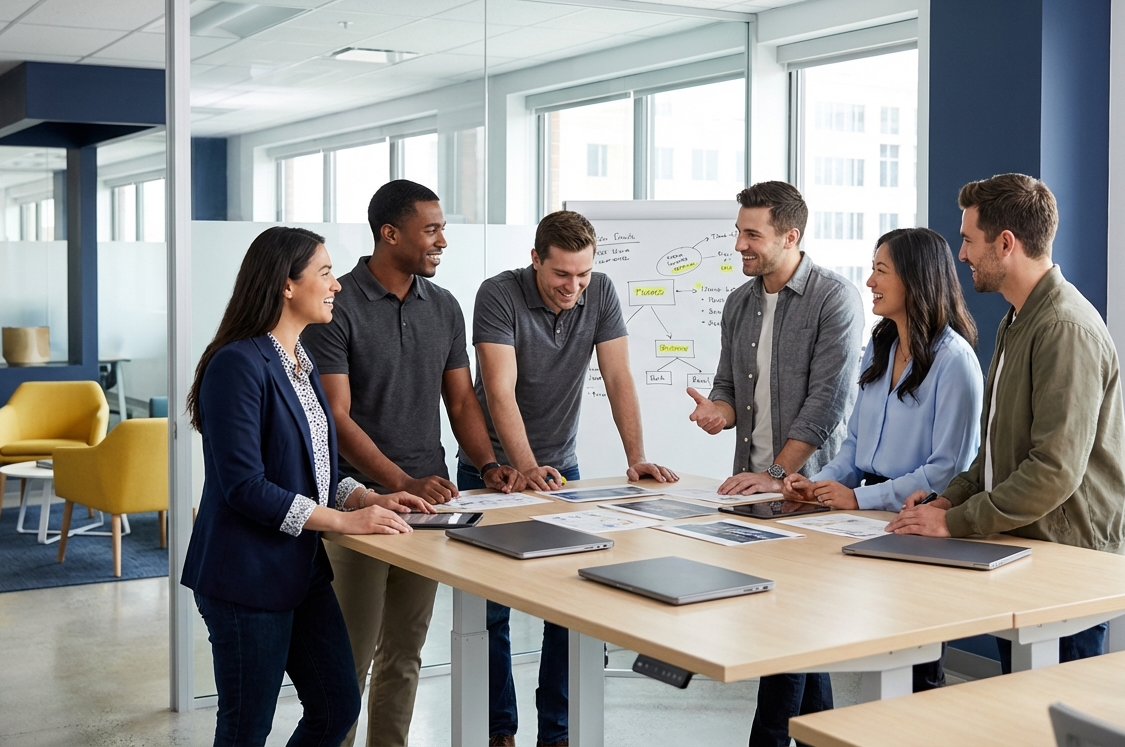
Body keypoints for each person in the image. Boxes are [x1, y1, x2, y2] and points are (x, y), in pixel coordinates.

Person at [301, 181, 523, 747]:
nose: (442, 241)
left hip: (427, 509)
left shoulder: (443, 305)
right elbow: (335, 416)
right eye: (431, 230)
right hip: (358, 502)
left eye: (442, 229)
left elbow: (463, 399)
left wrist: (488, 462)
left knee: (405, 653)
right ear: (389, 233)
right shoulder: (336, 303)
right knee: (348, 659)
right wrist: (399, 481)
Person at [181, 227, 418, 747]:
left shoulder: (299, 362)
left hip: (299, 570)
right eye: (326, 273)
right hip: (245, 577)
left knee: (336, 707)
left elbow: (314, 472)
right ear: (287, 285)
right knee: (246, 729)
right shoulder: (238, 364)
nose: (336, 286)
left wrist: (366, 497)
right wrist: (346, 522)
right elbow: (245, 486)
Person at [887, 173, 1125, 667]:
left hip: (1066, 562)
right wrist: (948, 497)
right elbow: (995, 451)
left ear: (1006, 243)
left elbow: (1053, 470)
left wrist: (955, 522)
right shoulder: (1016, 320)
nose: (961, 255)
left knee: (1055, 725)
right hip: (1019, 544)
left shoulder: (1064, 328)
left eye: (968, 240)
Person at [465, 209, 677, 747]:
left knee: (569, 603)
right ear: (535, 259)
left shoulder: (600, 292)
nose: (574, 287)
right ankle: (497, 731)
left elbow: (619, 375)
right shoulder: (498, 294)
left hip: (564, 472)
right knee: (490, 611)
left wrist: (637, 457)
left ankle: (557, 733)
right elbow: (498, 389)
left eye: (583, 274)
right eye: (562, 275)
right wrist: (523, 465)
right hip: (491, 473)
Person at [686, 181, 864, 747]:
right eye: (739, 231)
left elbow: (827, 403)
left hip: (809, 495)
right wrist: (719, 410)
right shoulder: (740, 301)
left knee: (785, 633)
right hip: (753, 494)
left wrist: (781, 474)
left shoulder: (834, 299)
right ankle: (824, 736)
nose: (739, 243)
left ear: (791, 236)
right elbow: (728, 383)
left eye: (751, 234)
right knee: (793, 630)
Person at [784, 226, 984, 692]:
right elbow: (854, 443)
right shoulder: (880, 347)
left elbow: (947, 470)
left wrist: (857, 498)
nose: (870, 282)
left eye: (880, 271)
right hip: (863, 517)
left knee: (915, 666)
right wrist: (819, 484)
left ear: (915, 280)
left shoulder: (956, 362)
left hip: (913, 523)